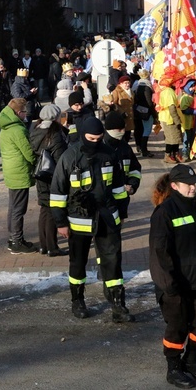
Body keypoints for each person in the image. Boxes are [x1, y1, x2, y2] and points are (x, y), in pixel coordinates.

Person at [50, 116, 135, 322]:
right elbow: (57, 192)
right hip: (78, 219)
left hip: (106, 217)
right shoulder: (70, 157)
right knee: (78, 262)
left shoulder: (109, 154)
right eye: (91, 138)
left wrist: (122, 213)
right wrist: (60, 223)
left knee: (112, 261)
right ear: (83, 136)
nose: (95, 142)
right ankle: (77, 300)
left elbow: (118, 188)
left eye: (99, 138)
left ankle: (118, 304)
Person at [149, 164, 196, 389]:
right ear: (174, 186)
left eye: (194, 184)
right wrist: (169, 285)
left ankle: (192, 361)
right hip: (175, 283)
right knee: (178, 326)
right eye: (187, 184)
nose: (192, 188)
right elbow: (159, 252)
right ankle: (174, 367)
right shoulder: (165, 212)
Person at [0, 98, 37, 254]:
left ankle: (13, 238)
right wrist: (37, 162)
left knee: (13, 208)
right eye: (24, 112)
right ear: (18, 112)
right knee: (19, 209)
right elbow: (28, 152)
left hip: (11, 171)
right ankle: (17, 241)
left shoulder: (6, 127)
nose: (26, 115)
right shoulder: (18, 130)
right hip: (19, 172)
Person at [29, 104, 69, 257]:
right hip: (53, 176)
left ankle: (44, 246)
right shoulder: (54, 134)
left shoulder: (36, 131)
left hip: (41, 174)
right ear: (55, 117)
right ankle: (53, 248)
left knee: (44, 210)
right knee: (52, 211)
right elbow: (60, 158)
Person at [103, 111, 141, 221]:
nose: (123, 132)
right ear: (109, 130)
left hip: (122, 201)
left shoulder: (125, 147)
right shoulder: (100, 148)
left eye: (123, 128)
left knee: (117, 232)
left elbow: (135, 169)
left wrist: (132, 186)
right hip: (104, 202)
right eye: (119, 130)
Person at [158, 75, 186, 164]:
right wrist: (177, 120)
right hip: (169, 118)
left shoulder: (165, 91)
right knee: (171, 138)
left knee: (175, 138)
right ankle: (168, 155)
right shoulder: (169, 92)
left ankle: (175, 154)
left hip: (167, 117)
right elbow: (172, 108)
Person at [133, 68, 157, 158]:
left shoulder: (138, 85)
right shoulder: (146, 87)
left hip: (139, 110)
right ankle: (144, 150)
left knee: (140, 130)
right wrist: (154, 113)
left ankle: (140, 147)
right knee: (146, 131)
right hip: (146, 111)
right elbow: (149, 102)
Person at [111, 75, 135, 144]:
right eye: (125, 83)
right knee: (122, 135)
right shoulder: (116, 91)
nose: (127, 84)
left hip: (129, 116)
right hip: (122, 116)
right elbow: (114, 104)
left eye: (128, 83)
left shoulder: (131, 91)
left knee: (127, 134)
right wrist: (121, 112)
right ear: (121, 84)